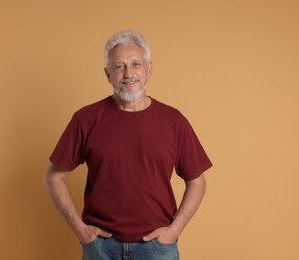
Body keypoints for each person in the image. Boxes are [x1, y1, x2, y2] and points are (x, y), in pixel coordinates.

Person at [44, 30, 213, 260]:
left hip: (157, 249)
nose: (128, 73)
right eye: (119, 66)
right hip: (101, 248)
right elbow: (54, 176)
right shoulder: (86, 119)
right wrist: (81, 231)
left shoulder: (173, 121)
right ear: (108, 75)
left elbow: (197, 181)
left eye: (136, 64)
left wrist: (174, 231)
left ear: (149, 69)